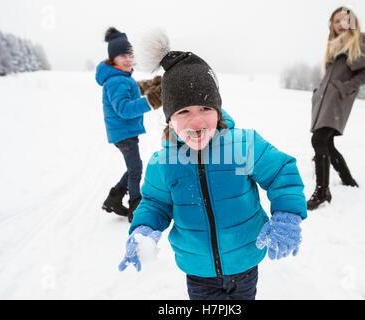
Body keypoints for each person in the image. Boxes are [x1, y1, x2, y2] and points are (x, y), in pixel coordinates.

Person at [117, 30, 307, 300]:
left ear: (217, 111)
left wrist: (286, 215)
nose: (196, 121)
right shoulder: (164, 162)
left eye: (205, 109)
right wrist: (144, 229)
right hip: (198, 272)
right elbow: (155, 204)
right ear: (169, 119)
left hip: (245, 263)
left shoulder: (242, 145)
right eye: (183, 112)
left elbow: (281, 173)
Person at [308, 7, 365, 210]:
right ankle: (348, 180)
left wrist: (343, 89)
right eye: (336, 21)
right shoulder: (333, 46)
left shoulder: (360, 39)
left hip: (337, 100)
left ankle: (322, 192)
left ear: (352, 22)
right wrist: (318, 92)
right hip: (323, 100)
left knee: (319, 139)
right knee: (326, 142)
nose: (340, 24)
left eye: (344, 20)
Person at [95, 27, 161, 222]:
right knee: (135, 170)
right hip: (124, 133)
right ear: (112, 58)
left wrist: (152, 85)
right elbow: (123, 108)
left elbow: (133, 90)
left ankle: (114, 198)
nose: (128, 59)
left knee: (134, 167)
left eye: (130, 55)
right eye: (123, 55)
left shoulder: (120, 78)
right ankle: (136, 206)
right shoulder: (116, 81)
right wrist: (152, 100)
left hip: (125, 133)